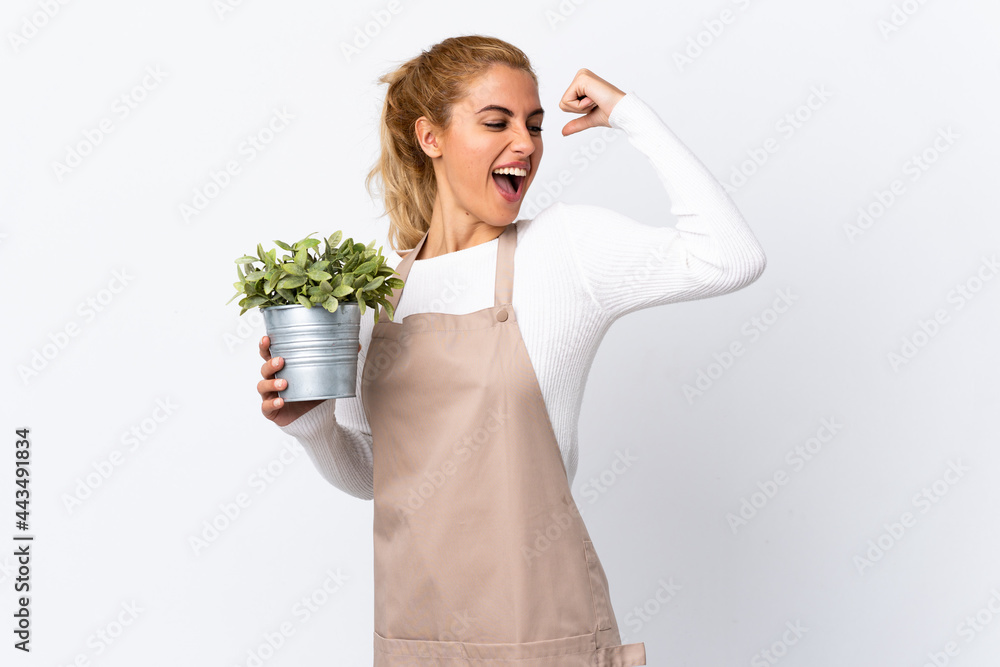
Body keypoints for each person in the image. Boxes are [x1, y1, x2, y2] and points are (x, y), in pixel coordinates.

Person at [256, 34, 766, 665]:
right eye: (496, 122)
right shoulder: (377, 288)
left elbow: (732, 259)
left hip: (542, 636)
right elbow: (376, 478)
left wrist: (631, 115)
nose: (525, 145)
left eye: (534, 125)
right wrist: (312, 428)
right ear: (430, 137)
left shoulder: (566, 250)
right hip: (417, 640)